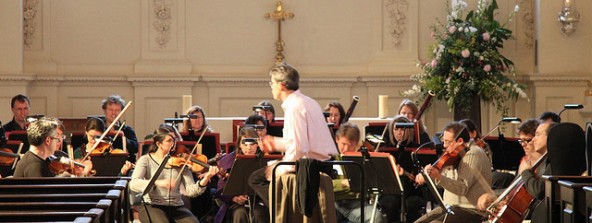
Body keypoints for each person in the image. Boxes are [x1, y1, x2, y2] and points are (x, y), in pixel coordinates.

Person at [248, 62, 338, 209]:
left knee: (256, 179)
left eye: (272, 83)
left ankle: (286, 214)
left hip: (310, 168)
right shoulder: (309, 102)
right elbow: (305, 141)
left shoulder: (294, 108)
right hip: (320, 163)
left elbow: (299, 148)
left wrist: (280, 167)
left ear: (282, 85)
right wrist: (275, 143)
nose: (271, 86)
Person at [130, 132, 219, 223]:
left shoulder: (181, 162)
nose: (173, 144)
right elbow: (133, 184)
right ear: (159, 144)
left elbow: (191, 191)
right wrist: (158, 182)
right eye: (169, 141)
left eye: (174, 141)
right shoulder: (146, 160)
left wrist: (206, 178)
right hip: (152, 205)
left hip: (176, 206)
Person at [414, 121, 492, 223]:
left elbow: (462, 188)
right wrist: (428, 176)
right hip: (449, 207)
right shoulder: (453, 155)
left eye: (448, 142)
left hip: (470, 211)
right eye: (444, 141)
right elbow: (444, 183)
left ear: (459, 141)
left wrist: (438, 177)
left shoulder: (473, 153)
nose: (445, 146)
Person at [333, 122, 385, 223]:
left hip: (358, 202)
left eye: (351, 145)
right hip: (337, 202)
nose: (346, 149)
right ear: (337, 139)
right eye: (343, 144)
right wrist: (343, 184)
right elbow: (324, 184)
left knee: (377, 217)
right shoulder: (330, 157)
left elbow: (369, 185)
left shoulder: (361, 160)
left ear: (357, 145)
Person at [215, 127, 269, 223]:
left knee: (258, 214)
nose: (249, 148)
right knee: (240, 213)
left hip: (258, 201)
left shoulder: (264, 160)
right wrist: (233, 198)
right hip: (235, 203)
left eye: (252, 143)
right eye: (245, 143)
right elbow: (220, 189)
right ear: (239, 145)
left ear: (257, 144)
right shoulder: (229, 160)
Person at [381, 115, 425, 222]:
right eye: (396, 129)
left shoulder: (417, 148)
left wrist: (404, 173)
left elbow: (420, 174)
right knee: (390, 203)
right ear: (392, 131)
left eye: (402, 129)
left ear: (409, 131)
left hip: (413, 191)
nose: (399, 133)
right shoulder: (385, 148)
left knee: (412, 204)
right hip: (391, 190)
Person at [13, 117, 92, 178]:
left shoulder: (39, 160)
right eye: (57, 139)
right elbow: (44, 195)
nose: (59, 142)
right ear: (48, 140)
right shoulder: (34, 165)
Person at [101, 95, 138, 161]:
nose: (113, 113)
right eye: (110, 109)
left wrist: (124, 138)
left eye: (117, 110)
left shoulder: (127, 130)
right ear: (104, 110)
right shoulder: (99, 129)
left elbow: (135, 148)